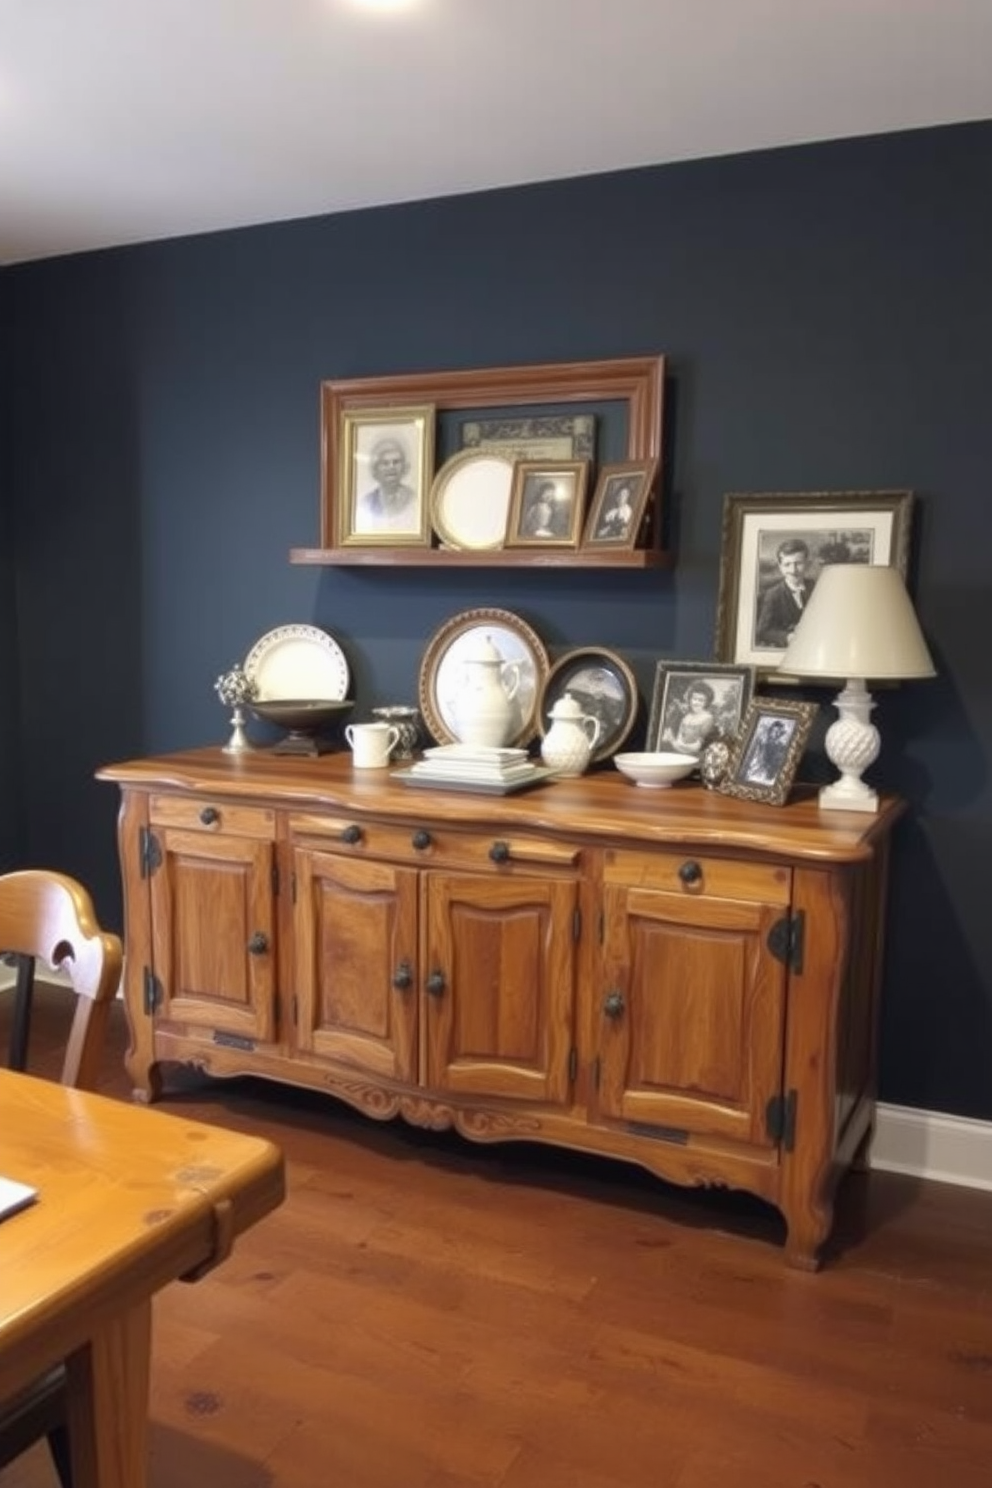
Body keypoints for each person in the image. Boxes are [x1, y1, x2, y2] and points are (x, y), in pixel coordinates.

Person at [754, 538, 816, 648]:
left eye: (798, 563)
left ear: (807, 564)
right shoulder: (773, 595)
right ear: (780, 567)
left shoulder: (816, 587)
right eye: (787, 564)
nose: (793, 570)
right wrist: (787, 637)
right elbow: (763, 631)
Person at [356, 435, 418, 534]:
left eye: (396, 462)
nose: (391, 467)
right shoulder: (367, 502)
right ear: (375, 470)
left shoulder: (414, 499)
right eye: (385, 463)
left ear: (404, 468)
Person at [662, 681, 716, 755]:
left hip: (697, 757)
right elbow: (679, 741)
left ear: (706, 702)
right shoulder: (686, 717)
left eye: (701, 700)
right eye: (694, 699)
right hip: (681, 754)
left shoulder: (708, 719)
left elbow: (696, 748)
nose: (696, 703)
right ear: (690, 699)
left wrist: (672, 741)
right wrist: (673, 741)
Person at [743, 719, 791, 785]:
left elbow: (777, 761)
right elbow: (757, 756)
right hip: (757, 769)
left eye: (779, 732)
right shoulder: (762, 742)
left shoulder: (780, 746)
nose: (776, 734)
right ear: (770, 731)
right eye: (775, 731)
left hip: (769, 772)